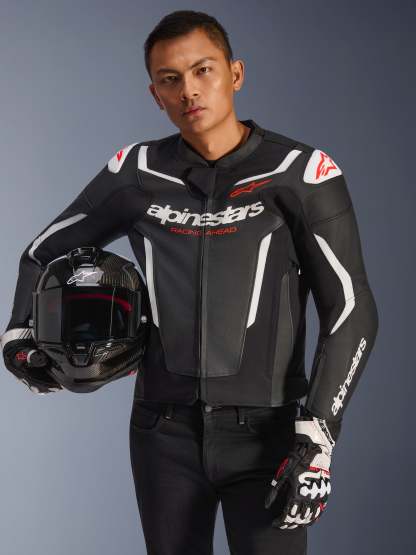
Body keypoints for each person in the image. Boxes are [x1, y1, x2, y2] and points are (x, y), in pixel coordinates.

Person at [1, 9, 379, 555]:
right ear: (155, 94)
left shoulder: (301, 172)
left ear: (235, 74)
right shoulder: (137, 172)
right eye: (170, 79)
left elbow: (351, 307)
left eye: (203, 70)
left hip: (269, 436)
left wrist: (318, 436)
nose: (189, 91)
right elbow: (41, 253)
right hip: (162, 434)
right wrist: (18, 336)